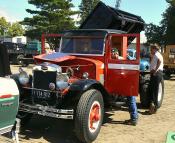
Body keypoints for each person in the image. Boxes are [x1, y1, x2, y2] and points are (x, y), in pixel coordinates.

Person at [111, 48, 138, 126]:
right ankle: (134, 117)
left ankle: (134, 119)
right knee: (130, 99)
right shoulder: (112, 60)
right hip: (122, 81)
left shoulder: (123, 60)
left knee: (131, 99)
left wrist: (128, 57)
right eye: (112, 54)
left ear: (117, 53)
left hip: (128, 81)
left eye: (114, 53)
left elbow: (133, 62)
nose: (113, 55)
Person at [148, 44, 163, 114]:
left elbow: (159, 61)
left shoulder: (157, 55)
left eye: (151, 49)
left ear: (154, 49)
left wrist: (155, 70)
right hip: (156, 73)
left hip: (156, 74)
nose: (150, 50)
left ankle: (154, 109)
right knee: (153, 90)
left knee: (154, 91)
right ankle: (153, 108)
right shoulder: (156, 54)